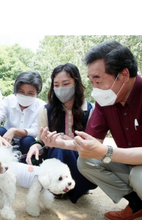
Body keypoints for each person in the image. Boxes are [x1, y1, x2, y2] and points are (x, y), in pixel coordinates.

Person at [40, 40, 142, 220]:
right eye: (91, 81)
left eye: (98, 80)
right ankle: (137, 204)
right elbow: (90, 145)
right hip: (136, 166)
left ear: (123, 75)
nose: (95, 88)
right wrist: (57, 142)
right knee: (86, 161)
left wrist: (106, 152)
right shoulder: (106, 100)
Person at [25, 63, 97, 203]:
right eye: (56, 85)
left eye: (66, 83)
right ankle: (58, 187)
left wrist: (67, 142)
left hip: (81, 158)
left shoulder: (90, 110)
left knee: (66, 149)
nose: (60, 89)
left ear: (76, 83)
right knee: (57, 148)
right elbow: (41, 140)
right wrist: (36, 146)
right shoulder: (46, 110)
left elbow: (93, 143)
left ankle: (76, 186)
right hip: (55, 157)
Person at [0, 71, 45, 163]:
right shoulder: (8, 100)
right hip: (6, 140)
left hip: (26, 144)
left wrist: (14, 130)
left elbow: (35, 131)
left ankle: (24, 166)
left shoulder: (42, 107)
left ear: (37, 93)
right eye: (21, 92)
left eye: (30, 93)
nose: (25, 96)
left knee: (28, 140)